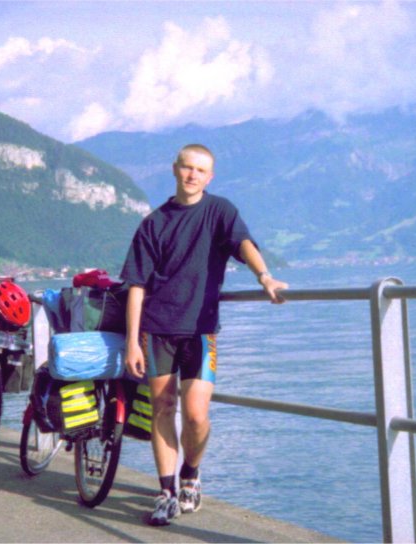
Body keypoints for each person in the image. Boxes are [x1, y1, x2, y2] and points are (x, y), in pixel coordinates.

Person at [120, 143, 289, 526]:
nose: (192, 174)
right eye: (186, 167)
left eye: (200, 170)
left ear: (209, 177)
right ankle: (166, 493)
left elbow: (244, 245)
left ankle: (190, 475)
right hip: (158, 329)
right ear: (175, 169)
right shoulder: (153, 223)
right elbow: (136, 285)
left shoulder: (219, 211)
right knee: (163, 408)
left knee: (196, 416)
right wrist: (132, 341)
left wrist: (264, 277)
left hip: (200, 331)